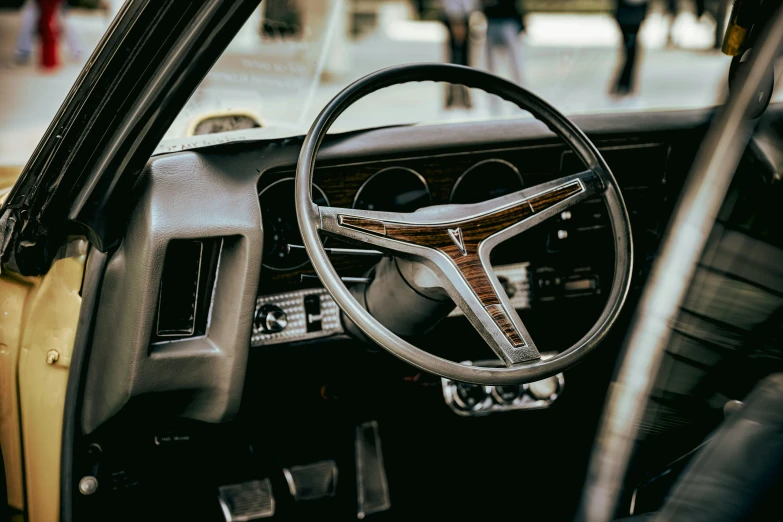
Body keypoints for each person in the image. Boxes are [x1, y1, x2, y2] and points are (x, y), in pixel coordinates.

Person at [14, 0, 82, 66]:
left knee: (65, 23)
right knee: (29, 21)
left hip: (56, 3)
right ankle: (23, 51)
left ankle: (77, 51)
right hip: (35, 3)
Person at [611, 0, 648, 98]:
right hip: (630, 12)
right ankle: (624, 85)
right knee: (630, 48)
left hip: (630, 12)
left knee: (630, 48)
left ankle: (625, 85)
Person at [441, 0, 474, 109]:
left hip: (463, 17)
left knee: (463, 59)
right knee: (455, 58)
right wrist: (457, 20)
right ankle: (454, 96)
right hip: (456, 17)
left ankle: (462, 96)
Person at [482, 0, 524, 86]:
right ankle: (492, 91)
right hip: (492, 21)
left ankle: (520, 90)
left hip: (508, 20)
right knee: (491, 66)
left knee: (515, 63)